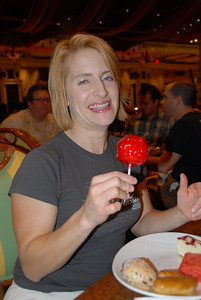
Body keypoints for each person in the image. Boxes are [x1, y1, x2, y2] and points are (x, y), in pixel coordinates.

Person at [4, 34, 201, 300]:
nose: (102, 90)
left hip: (109, 286)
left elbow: (143, 222)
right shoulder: (43, 163)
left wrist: (181, 212)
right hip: (47, 294)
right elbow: (33, 267)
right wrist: (85, 218)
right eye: (84, 80)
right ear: (64, 96)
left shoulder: (126, 153)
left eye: (107, 77)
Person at [146, 80, 201, 208]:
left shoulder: (183, 126)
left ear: (178, 100)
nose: (162, 102)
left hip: (187, 192)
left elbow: (163, 166)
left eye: (165, 97)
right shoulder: (197, 119)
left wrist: (140, 160)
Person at [123, 84, 174, 148]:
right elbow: (124, 142)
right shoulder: (132, 120)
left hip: (158, 156)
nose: (142, 106)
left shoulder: (168, 121)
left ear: (156, 102)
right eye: (141, 103)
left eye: (146, 103)